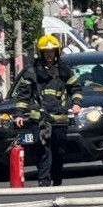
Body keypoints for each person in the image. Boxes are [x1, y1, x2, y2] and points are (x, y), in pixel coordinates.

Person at [15, 35, 83, 187]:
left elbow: (76, 88)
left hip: (59, 119)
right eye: (46, 51)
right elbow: (23, 95)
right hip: (39, 118)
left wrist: (77, 103)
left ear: (57, 52)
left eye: (52, 51)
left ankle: (56, 178)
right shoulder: (31, 71)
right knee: (42, 150)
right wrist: (19, 113)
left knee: (58, 152)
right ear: (41, 52)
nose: (49, 54)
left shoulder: (64, 70)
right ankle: (44, 181)